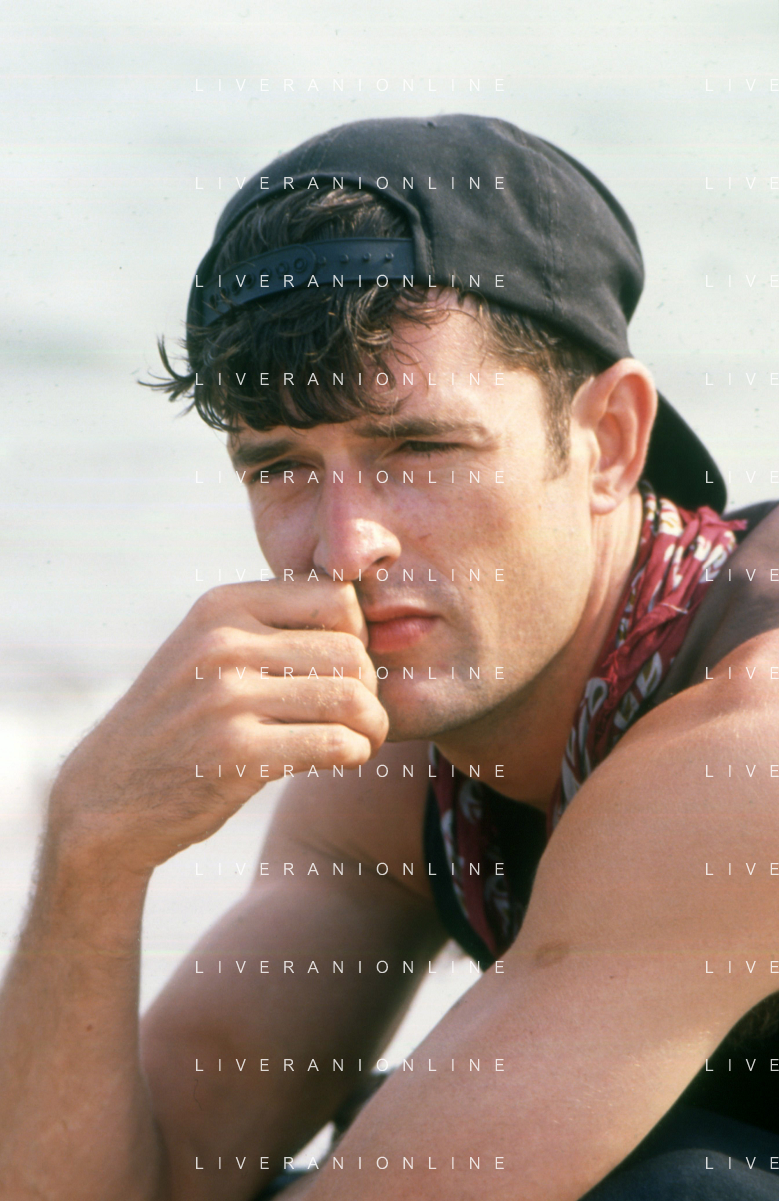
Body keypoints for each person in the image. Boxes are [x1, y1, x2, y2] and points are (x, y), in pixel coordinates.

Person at [2, 114, 779, 1201]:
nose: (343, 546)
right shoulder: (405, 752)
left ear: (607, 440)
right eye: (279, 466)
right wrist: (92, 841)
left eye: (419, 449)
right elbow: (153, 1179)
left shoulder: (748, 743)